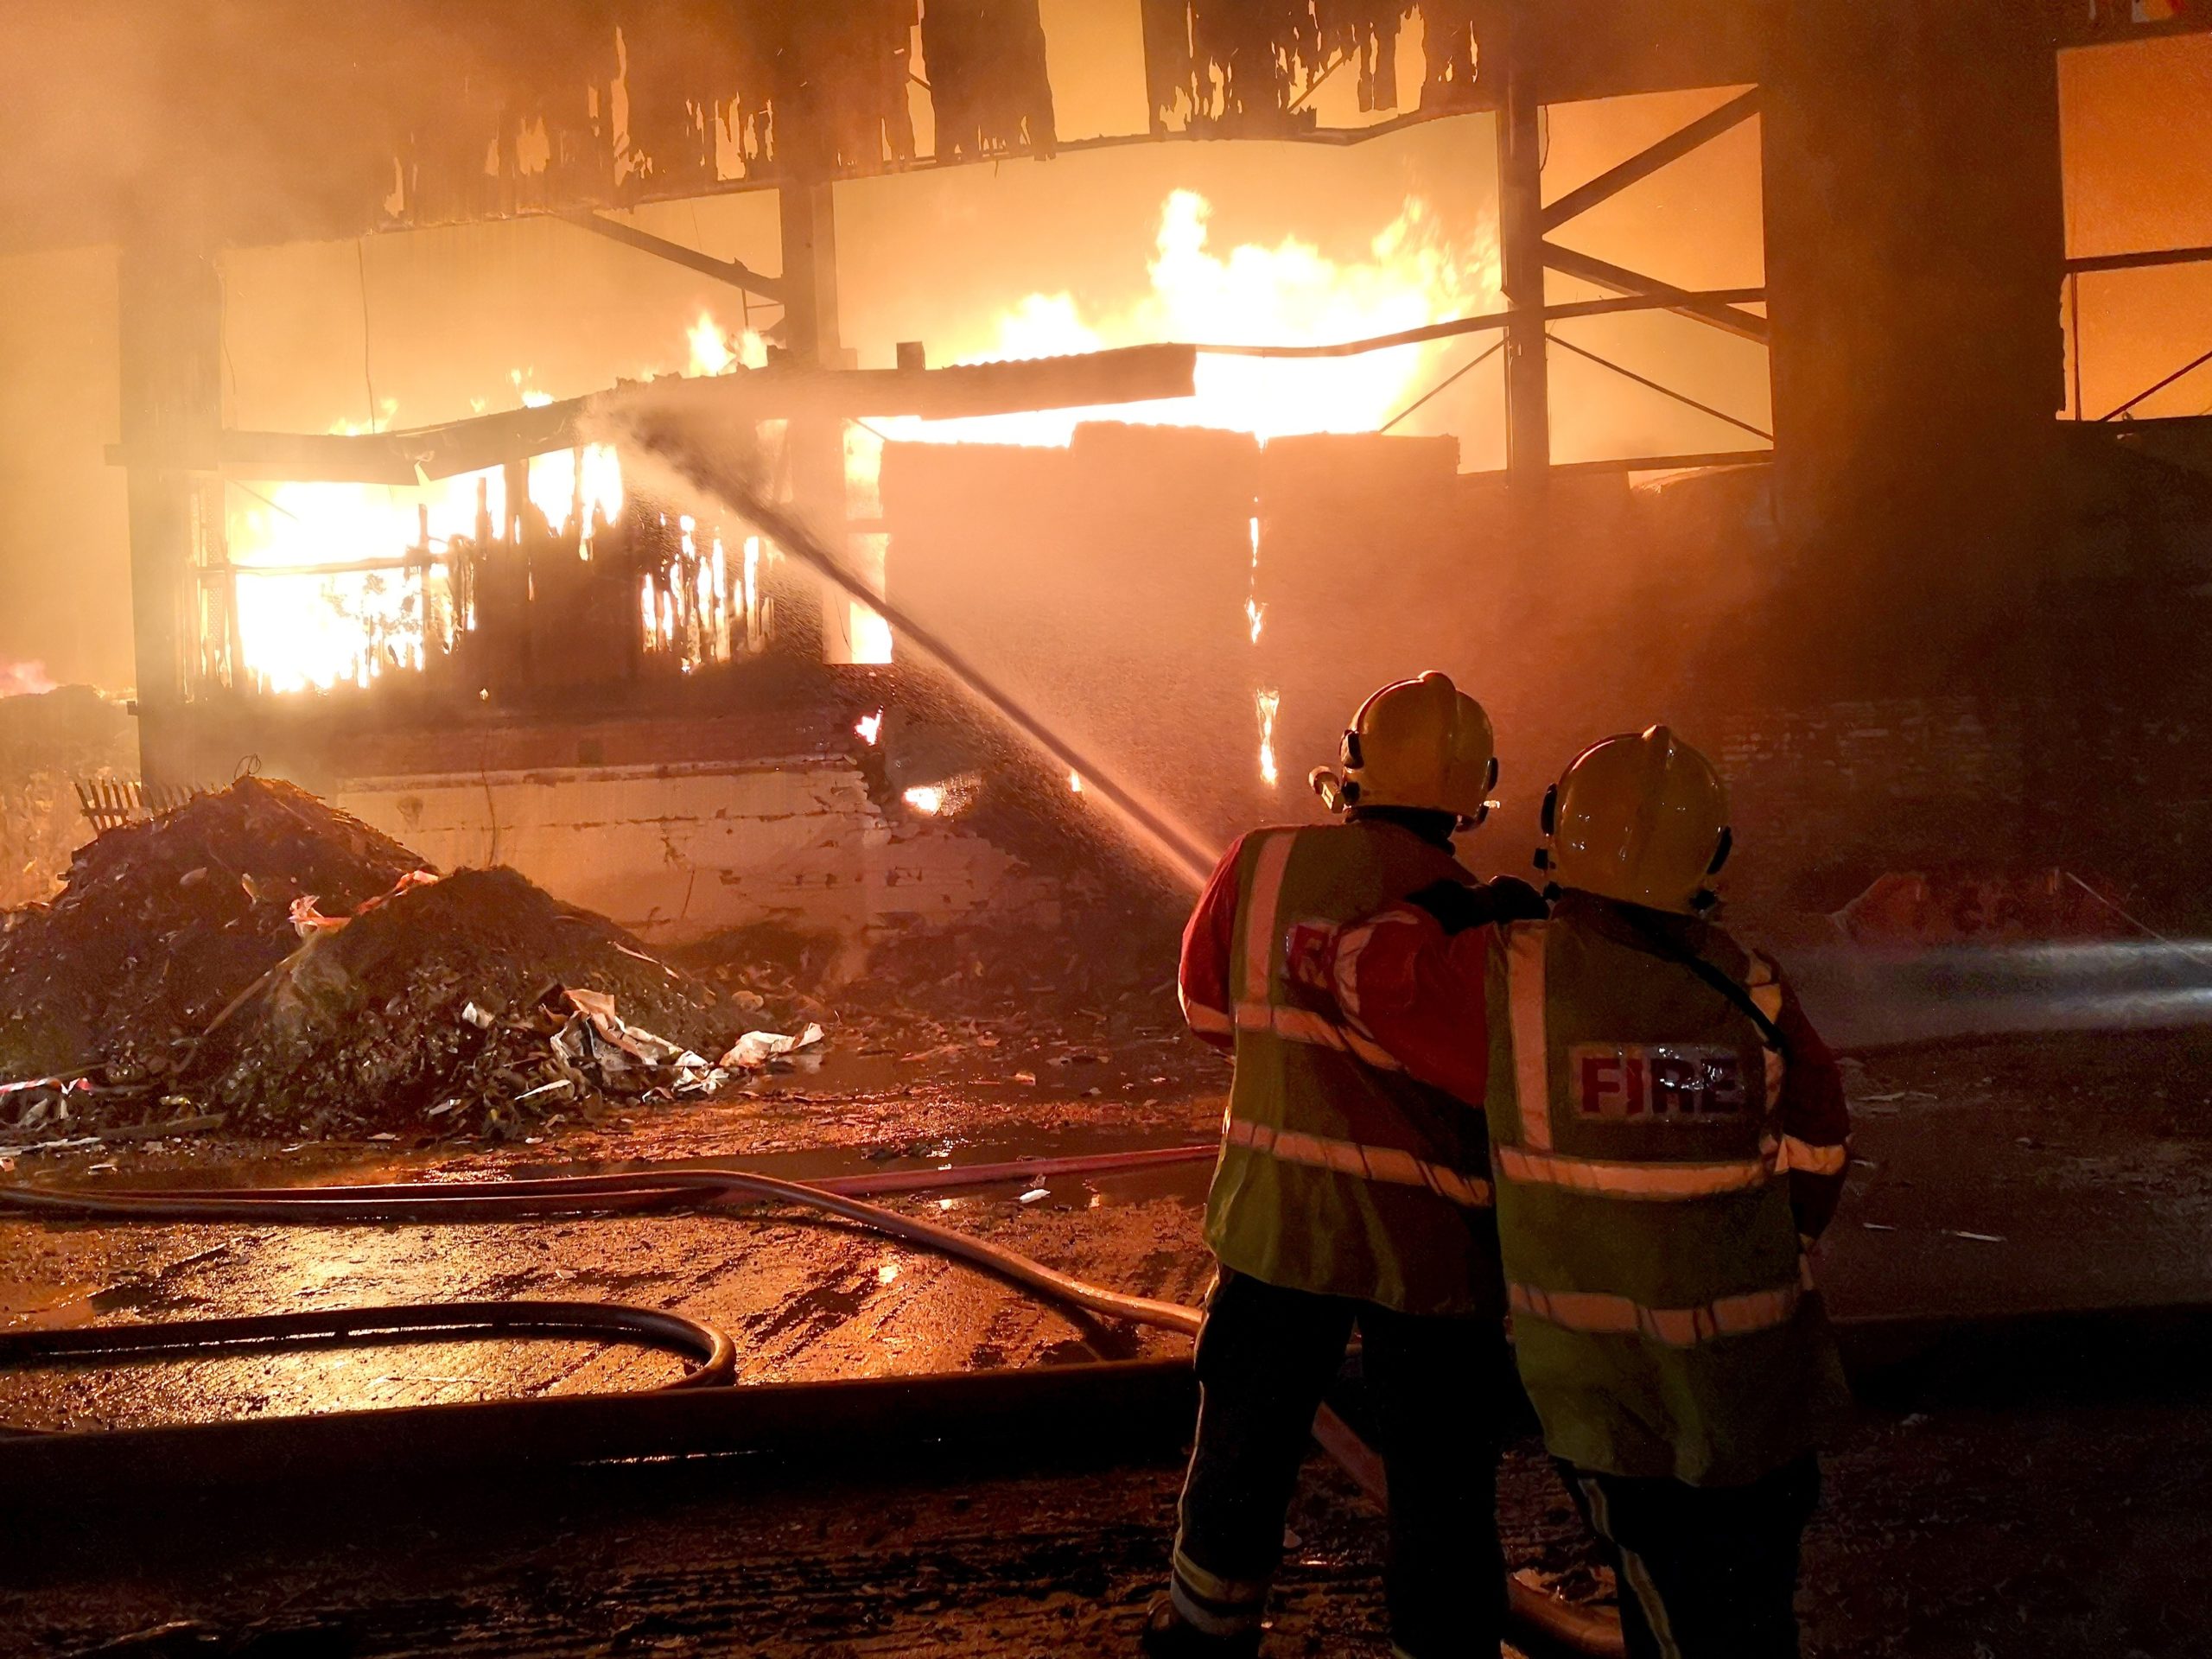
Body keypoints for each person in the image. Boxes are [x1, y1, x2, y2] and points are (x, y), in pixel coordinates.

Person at [1306, 725, 1853, 1658]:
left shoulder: (1508, 974)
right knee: (1757, 1610)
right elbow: (1818, 1152)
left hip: (1612, 1399)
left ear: (1559, 834)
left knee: (1667, 1610)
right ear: (1708, 857)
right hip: (1759, 1389)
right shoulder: (1753, 987)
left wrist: (1445, 902)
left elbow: (1353, 967)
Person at [1145, 671, 1545, 1659]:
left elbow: (1205, 1018)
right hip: (1430, 1251)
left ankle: (1205, 1628)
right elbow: (1492, 1081)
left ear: (1352, 770)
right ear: (1473, 789)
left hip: (1277, 1223)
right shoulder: (1483, 919)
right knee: (1440, 1472)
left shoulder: (1263, 864)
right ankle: (1446, 1646)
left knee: (1244, 1440)